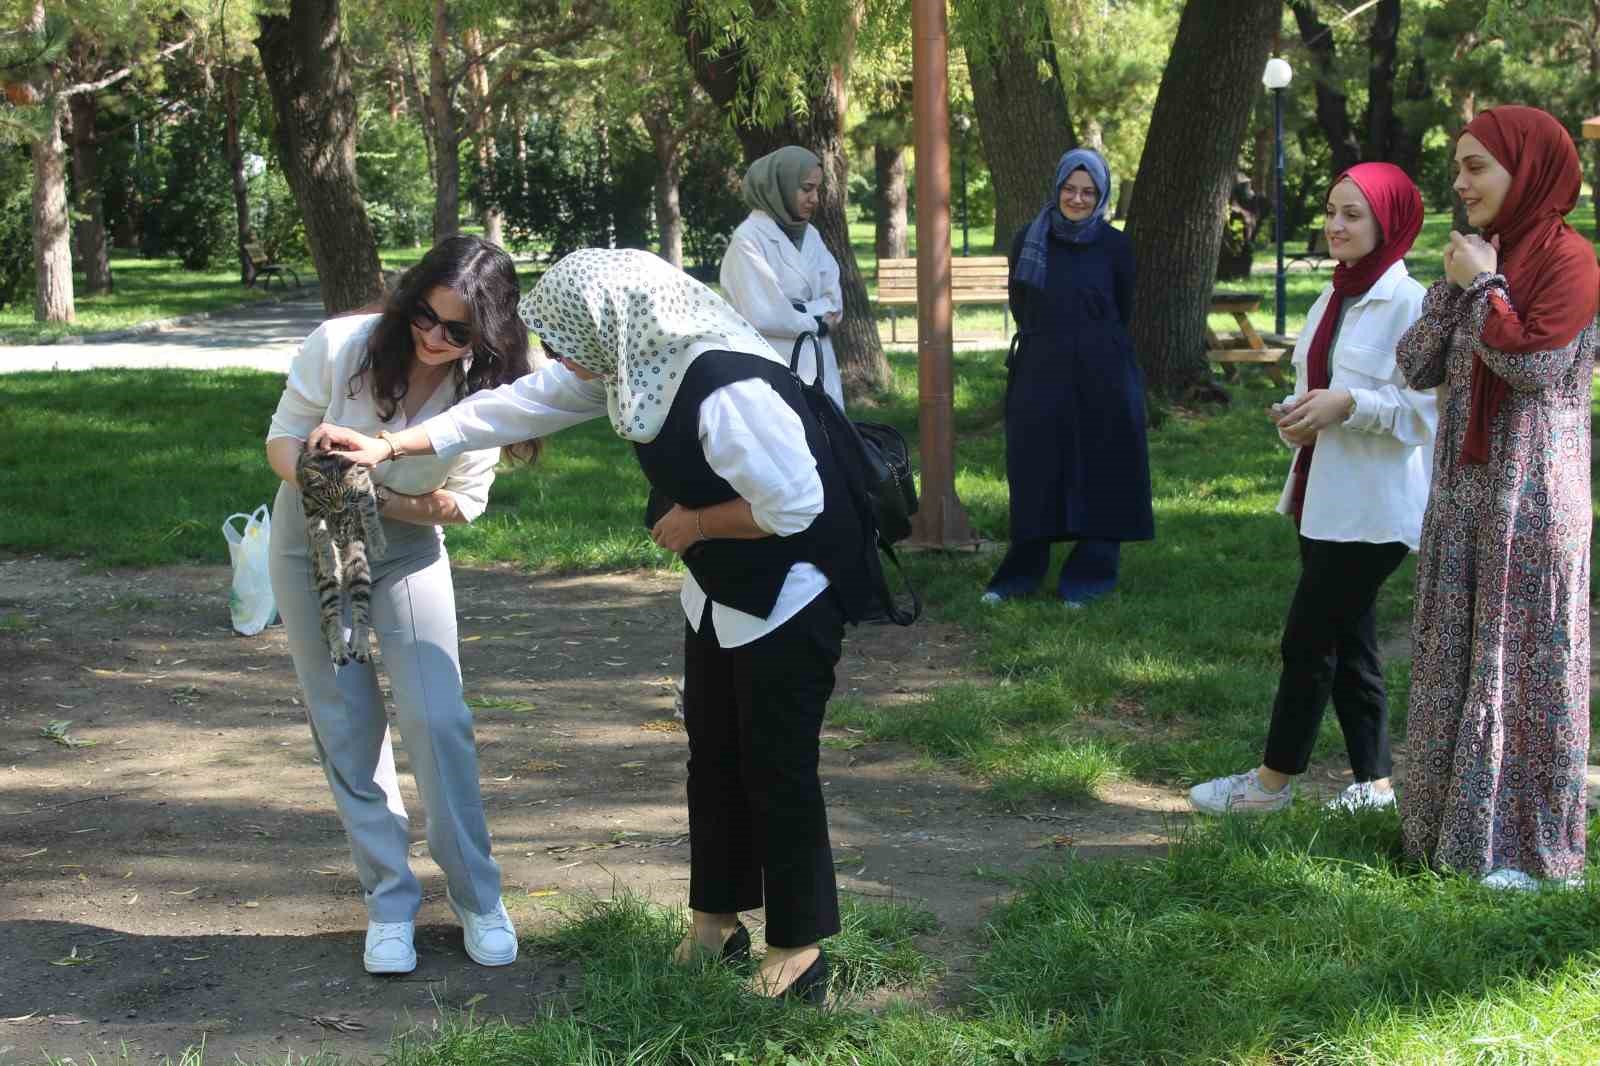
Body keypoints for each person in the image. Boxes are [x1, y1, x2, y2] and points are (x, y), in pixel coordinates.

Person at [310, 248, 875, 1004]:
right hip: (722, 592)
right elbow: (519, 405)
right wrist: (390, 444)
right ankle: (716, 922)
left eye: (569, 338)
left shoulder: (726, 387)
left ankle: (798, 947)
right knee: (714, 758)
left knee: (778, 764)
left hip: (794, 594)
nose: (561, 357)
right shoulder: (639, 363)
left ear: (615, 325)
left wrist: (697, 522)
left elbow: (798, 505)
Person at [265, 235, 537, 974]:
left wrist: (376, 493)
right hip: (311, 545)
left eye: (457, 331)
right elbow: (281, 440)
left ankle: (478, 895)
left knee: (437, 719)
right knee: (347, 725)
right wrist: (322, 474)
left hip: (408, 550)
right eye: (425, 316)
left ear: (488, 334)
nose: (434, 338)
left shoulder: (487, 391)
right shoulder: (341, 346)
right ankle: (389, 901)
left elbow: (462, 504)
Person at [1188, 163, 1435, 816]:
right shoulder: (1333, 295)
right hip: (1319, 498)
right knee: (1350, 641)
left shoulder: (1412, 305)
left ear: (1389, 222)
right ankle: (1375, 786)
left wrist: (1348, 404)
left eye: (1352, 214)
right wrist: (1298, 419)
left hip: (1373, 510)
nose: (1335, 226)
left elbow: (1426, 415)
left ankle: (1271, 784)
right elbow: (1315, 392)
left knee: (1308, 641)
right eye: (1330, 211)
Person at [1395, 106, 1598, 890]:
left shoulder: (1571, 260)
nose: (1460, 181)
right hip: (1463, 492)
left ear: (1529, 171)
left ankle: (1527, 851)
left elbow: (1533, 366)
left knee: (1522, 671)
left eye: (1477, 166)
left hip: (1530, 495)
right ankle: (1447, 837)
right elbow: (1415, 364)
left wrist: (1482, 286)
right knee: (1455, 659)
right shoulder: (1482, 256)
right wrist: (1458, 290)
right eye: (1458, 166)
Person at [982, 147, 1153, 607]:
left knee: (1103, 467)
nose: (1077, 199)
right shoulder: (1029, 238)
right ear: (1057, 188)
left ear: (1101, 196)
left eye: (1088, 192)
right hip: (1041, 366)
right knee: (1036, 469)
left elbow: (1123, 306)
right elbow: (1021, 302)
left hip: (1104, 369)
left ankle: (1090, 576)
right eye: (1070, 189)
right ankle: (1019, 575)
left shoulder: (1116, 245)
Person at [720, 146, 847, 409]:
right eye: (807, 189)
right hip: (773, 366)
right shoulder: (748, 240)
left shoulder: (810, 234)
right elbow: (763, 313)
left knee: (827, 431)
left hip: (820, 362)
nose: (815, 199)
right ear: (780, 187)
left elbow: (834, 303)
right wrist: (817, 318)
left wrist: (797, 310)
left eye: (817, 190)